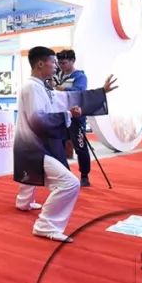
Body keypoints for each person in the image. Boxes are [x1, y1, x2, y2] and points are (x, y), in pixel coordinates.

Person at [13, 46, 116, 243]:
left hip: (33, 143)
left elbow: (65, 98)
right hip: (34, 145)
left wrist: (100, 92)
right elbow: (38, 119)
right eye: (53, 62)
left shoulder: (40, 86)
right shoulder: (32, 87)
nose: (56, 66)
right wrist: (68, 114)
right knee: (69, 183)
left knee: (33, 173)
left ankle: (23, 202)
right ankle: (46, 225)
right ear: (40, 64)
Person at [53, 50, 92, 187]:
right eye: (59, 63)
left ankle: (84, 175)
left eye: (64, 63)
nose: (61, 65)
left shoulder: (80, 76)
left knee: (80, 146)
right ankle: (65, 174)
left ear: (72, 61)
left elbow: (79, 91)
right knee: (59, 146)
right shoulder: (57, 75)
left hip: (76, 117)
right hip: (60, 115)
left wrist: (61, 89)